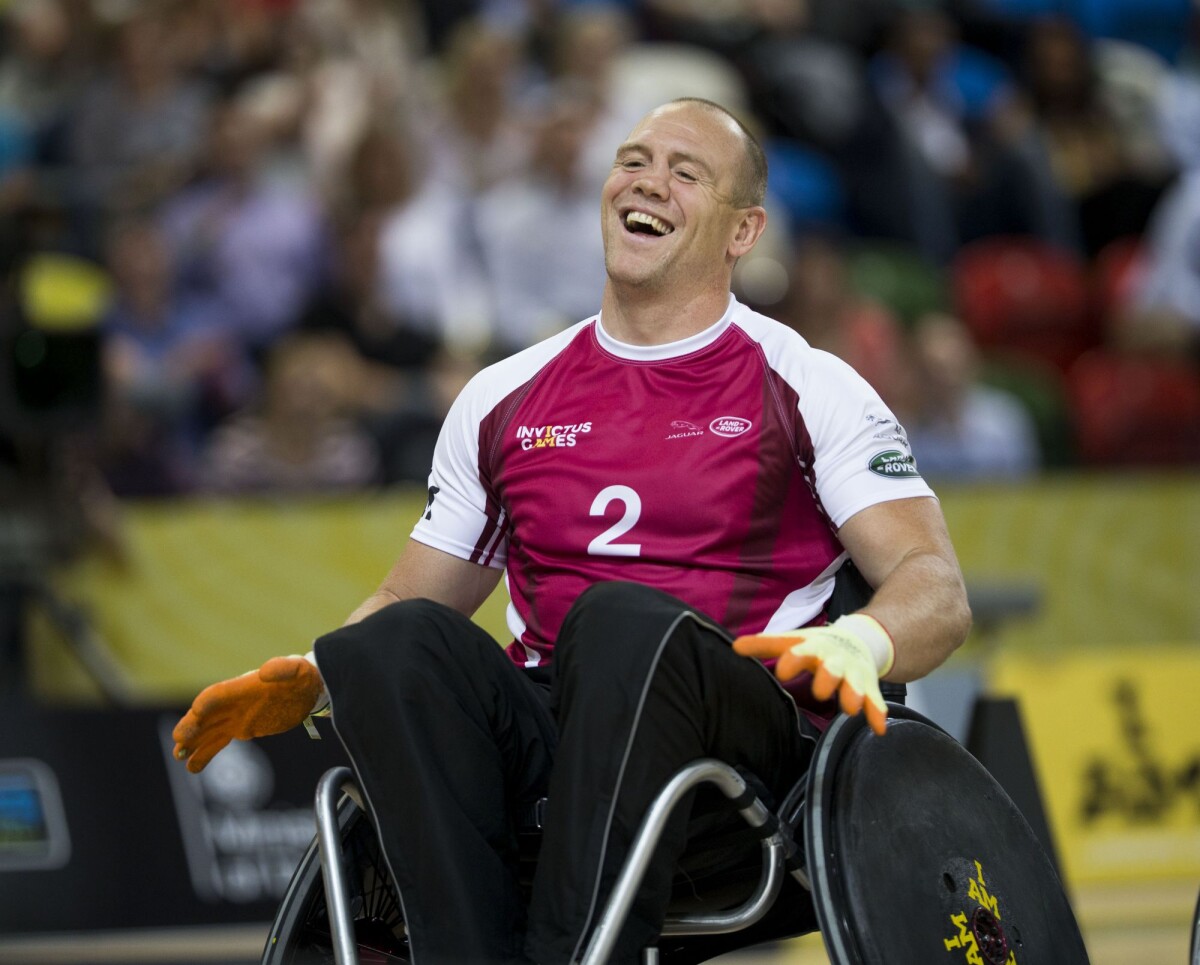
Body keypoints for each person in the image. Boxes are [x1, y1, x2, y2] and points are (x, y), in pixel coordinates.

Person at [171, 98, 971, 964]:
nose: (648, 181)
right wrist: (321, 670)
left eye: (685, 171)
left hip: (747, 755)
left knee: (620, 620)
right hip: (558, 744)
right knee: (387, 644)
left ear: (744, 231)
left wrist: (866, 638)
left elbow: (935, 582)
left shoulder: (809, 384)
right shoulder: (504, 395)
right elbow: (410, 596)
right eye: (633, 160)